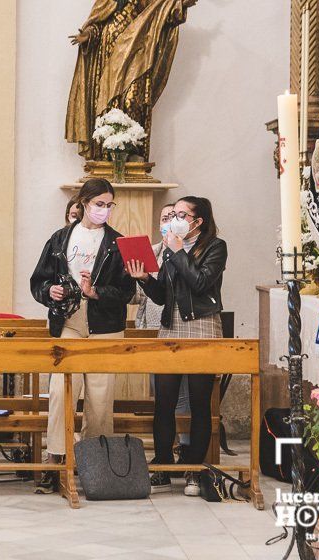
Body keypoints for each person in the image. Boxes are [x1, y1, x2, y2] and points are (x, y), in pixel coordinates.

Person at [30, 178, 136, 494]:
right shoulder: (60, 239)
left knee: (101, 398)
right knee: (62, 390)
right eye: (98, 203)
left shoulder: (119, 242)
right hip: (69, 321)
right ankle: (56, 459)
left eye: (109, 204)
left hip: (105, 324)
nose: (104, 209)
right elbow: (38, 281)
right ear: (84, 203)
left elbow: (129, 291)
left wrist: (97, 292)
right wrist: (51, 290)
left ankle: (97, 462)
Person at [126, 196, 227, 496]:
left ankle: (194, 469)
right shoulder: (171, 249)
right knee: (164, 402)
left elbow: (200, 283)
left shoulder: (215, 247)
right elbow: (162, 296)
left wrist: (177, 251)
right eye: (174, 214)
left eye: (182, 214)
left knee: (198, 403)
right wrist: (144, 278)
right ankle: (161, 464)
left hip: (202, 327)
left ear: (199, 221)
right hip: (171, 326)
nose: (175, 219)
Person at [134, 204, 191, 459]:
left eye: (173, 217)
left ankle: (185, 445)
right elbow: (141, 295)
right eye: (164, 217)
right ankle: (166, 449)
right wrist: (141, 278)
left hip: (178, 327)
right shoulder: (154, 251)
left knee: (182, 396)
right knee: (161, 395)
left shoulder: (183, 250)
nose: (168, 221)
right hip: (152, 328)